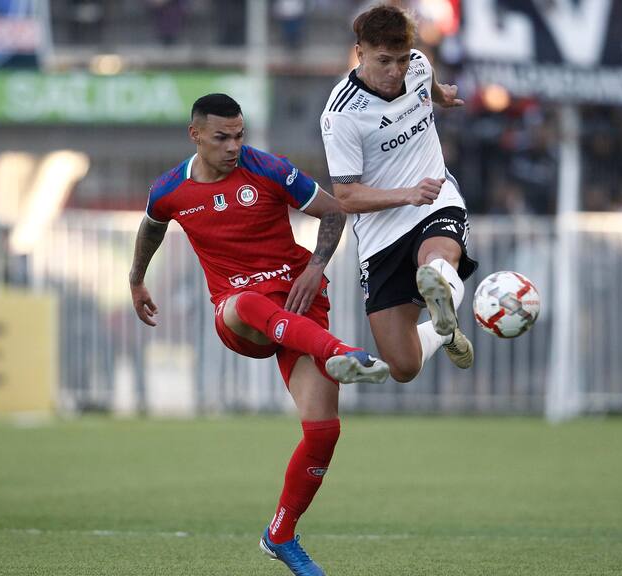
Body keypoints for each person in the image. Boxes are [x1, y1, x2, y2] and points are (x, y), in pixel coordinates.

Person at [129, 93, 390, 576]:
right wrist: (136, 278)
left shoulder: (269, 169)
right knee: (245, 301)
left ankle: (281, 534)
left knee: (323, 431)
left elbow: (334, 212)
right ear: (196, 135)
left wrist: (315, 267)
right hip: (243, 318)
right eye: (222, 137)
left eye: (240, 135)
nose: (233, 146)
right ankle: (341, 354)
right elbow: (152, 226)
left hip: (298, 305)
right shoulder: (169, 188)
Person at [320, 4, 477, 383]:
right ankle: (446, 331)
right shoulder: (341, 115)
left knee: (436, 259)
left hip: (435, 198)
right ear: (361, 53)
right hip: (382, 232)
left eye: (402, 59)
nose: (395, 71)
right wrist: (406, 194)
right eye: (384, 61)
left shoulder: (419, 65)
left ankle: (438, 284)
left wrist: (443, 96)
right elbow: (346, 197)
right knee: (405, 366)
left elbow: (428, 81)